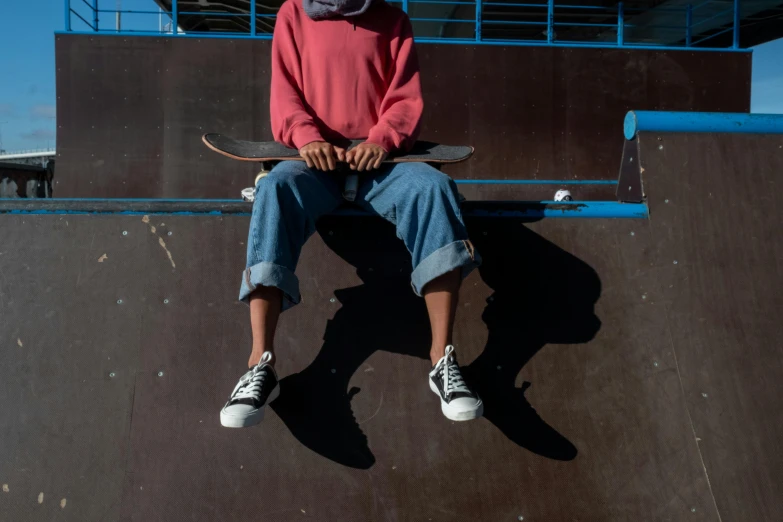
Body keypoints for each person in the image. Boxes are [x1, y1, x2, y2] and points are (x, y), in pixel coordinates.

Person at [220, 0, 483, 428]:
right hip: (312, 162)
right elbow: (285, 93)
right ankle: (259, 366)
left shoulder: (393, 19)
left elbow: (404, 99)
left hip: (382, 164)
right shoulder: (294, 13)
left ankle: (442, 360)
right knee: (276, 189)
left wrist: (381, 140)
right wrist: (306, 139)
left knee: (434, 189)